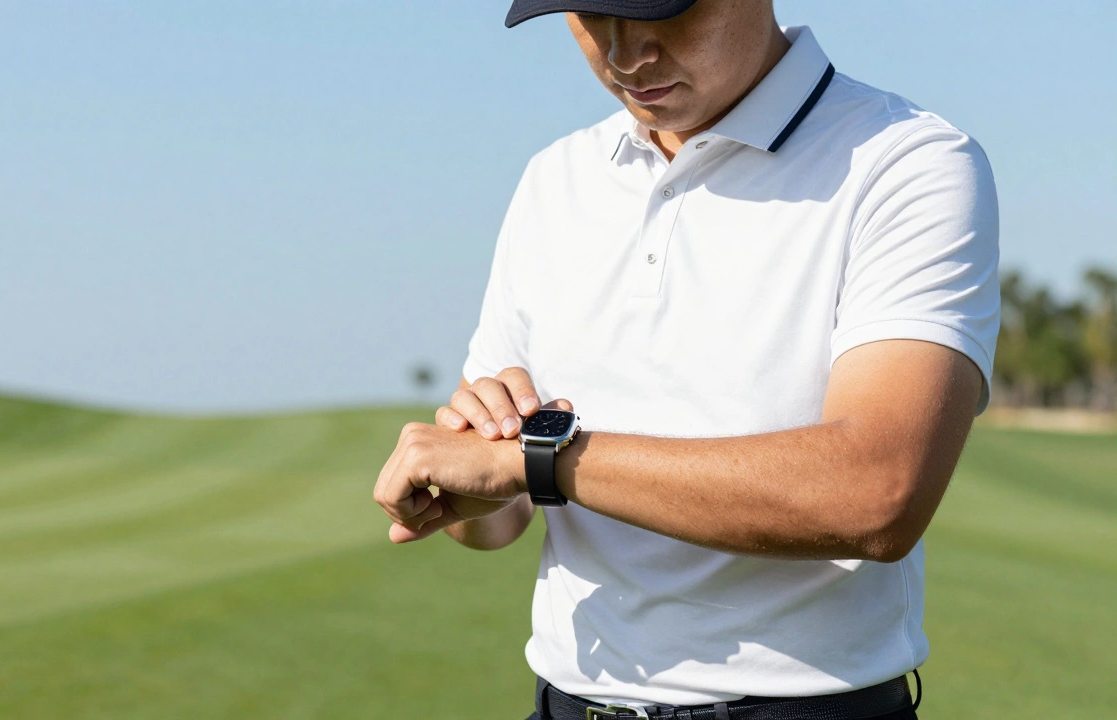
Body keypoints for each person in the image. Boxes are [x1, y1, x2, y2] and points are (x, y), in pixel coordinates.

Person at [373, 0, 999, 717]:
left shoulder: (906, 162)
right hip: (565, 702)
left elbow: (878, 492)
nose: (625, 54)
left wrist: (540, 461)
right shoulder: (555, 179)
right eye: (589, 17)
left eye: (657, 12)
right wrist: (480, 492)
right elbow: (494, 518)